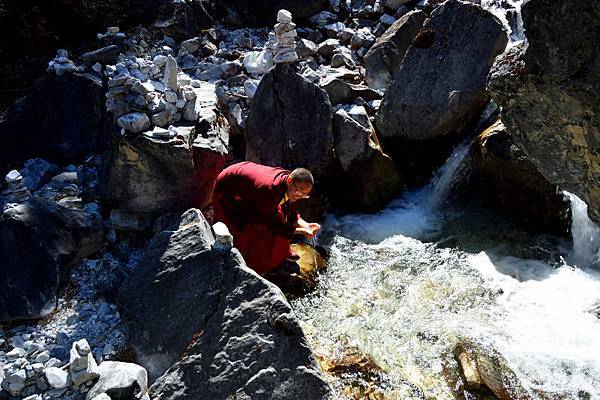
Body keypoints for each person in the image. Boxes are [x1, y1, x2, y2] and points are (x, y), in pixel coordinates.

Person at [211, 161, 320, 275]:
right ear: (289, 181)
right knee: (247, 229)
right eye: (299, 192)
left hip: (248, 187)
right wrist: (300, 231)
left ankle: (282, 253)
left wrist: (305, 224)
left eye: (305, 195)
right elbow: (273, 225)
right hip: (226, 193)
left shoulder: (288, 182)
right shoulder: (269, 190)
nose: (300, 197)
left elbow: (291, 209)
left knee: (283, 216)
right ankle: (248, 267)